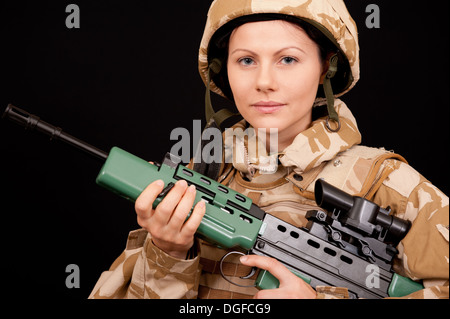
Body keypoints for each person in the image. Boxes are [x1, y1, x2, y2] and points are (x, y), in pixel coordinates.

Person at [89, 0, 448, 299]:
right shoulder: (204, 174)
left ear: (326, 67)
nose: (264, 82)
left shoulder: (389, 186)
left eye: (287, 59)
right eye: (246, 60)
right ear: (223, 70)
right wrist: (168, 252)